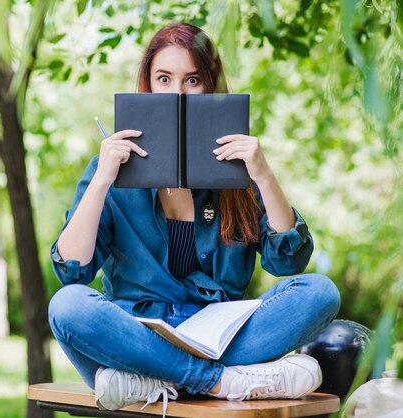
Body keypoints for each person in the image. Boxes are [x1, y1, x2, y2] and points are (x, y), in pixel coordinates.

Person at [48, 22, 340, 416]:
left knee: (320, 292)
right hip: (136, 334)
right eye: (164, 78)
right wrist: (102, 179)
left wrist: (263, 175)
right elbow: (72, 272)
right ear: (147, 85)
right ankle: (220, 382)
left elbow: (287, 261)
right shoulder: (111, 169)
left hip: (222, 335)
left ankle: (152, 382)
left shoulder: (237, 169)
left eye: (192, 80)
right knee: (67, 306)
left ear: (211, 86)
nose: (177, 93)